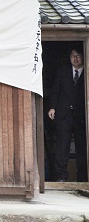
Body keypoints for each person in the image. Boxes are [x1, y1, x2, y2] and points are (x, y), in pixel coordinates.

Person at [48, 47, 87, 182]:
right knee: (62, 146)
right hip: (64, 114)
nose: (75, 59)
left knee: (82, 146)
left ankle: (83, 177)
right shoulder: (62, 71)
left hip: (81, 116)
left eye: (78, 56)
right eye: (73, 56)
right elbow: (55, 90)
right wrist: (52, 107)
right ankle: (61, 176)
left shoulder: (87, 72)